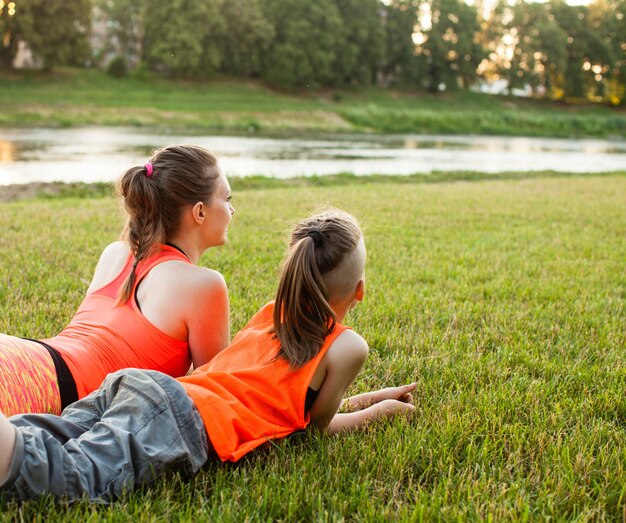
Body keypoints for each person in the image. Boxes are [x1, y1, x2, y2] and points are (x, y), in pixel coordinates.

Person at [0, 208, 415, 502]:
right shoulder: (347, 347)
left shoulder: (273, 315)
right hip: (183, 420)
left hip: (147, 388)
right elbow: (316, 426)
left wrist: (376, 395)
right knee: (74, 475)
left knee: (53, 432)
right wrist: (381, 413)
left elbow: (299, 406)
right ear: (359, 290)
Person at [0, 145, 234, 417]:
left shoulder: (116, 253)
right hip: (38, 387)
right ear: (200, 212)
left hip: (27, 357)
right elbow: (211, 394)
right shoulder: (204, 285)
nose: (232, 210)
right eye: (227, 198)